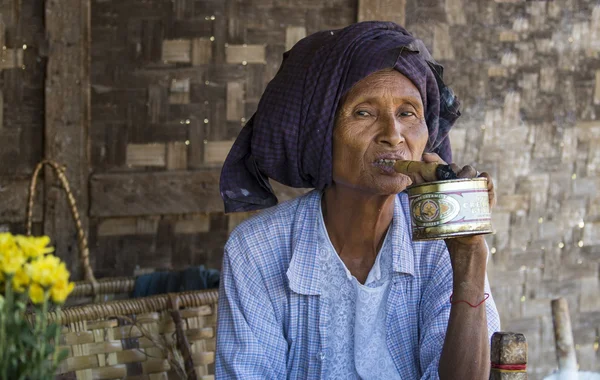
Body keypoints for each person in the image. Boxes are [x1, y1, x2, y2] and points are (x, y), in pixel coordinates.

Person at [216, 21, 500, 379]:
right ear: (320, 136)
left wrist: (470, 257)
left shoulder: (440, 244)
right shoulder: (256, 251)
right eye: (364, 113)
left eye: (407, 113)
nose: (393, 135)